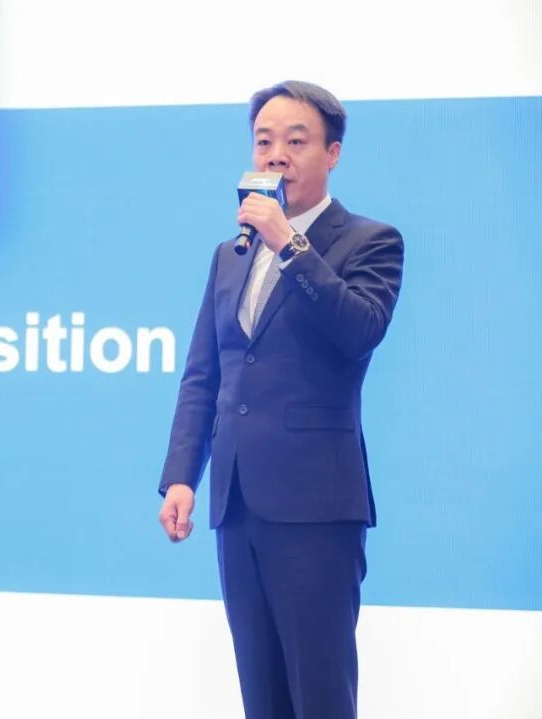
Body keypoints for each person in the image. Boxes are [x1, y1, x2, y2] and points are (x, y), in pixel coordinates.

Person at [156, 80, 404, 719]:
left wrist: (290, 245)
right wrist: (182, 476)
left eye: (296, 142)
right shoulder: (230, 255)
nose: (276, 155)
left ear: (333, 154)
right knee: (261, 695)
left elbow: (359, 330)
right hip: (238, 502)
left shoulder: (370, 241)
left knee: (319, 694)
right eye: (264, 141)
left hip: (316, 508)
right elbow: (205, 374)